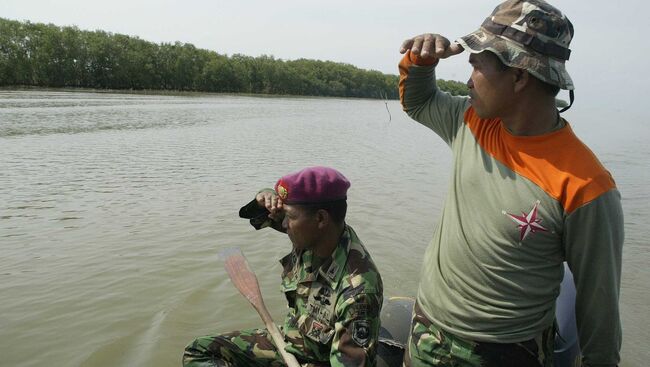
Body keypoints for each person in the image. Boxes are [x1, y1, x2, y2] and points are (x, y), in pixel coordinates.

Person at [397, 1, 623, 366]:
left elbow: (599, 309)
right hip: (427, 331)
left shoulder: (585, 185)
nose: (468, 80)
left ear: (519, 76)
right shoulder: (471, 121)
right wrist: (420, 61)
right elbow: (418, 102)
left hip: (507, 353)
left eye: (476, 65)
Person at [183, 166, 383, 367]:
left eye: (290, 216)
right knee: (199, 351)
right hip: (291, 341)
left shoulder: (358, 291)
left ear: (321, 218)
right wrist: (265, 196)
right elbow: (258, 218)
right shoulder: (313, 235)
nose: (284, 224)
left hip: (320, 359)